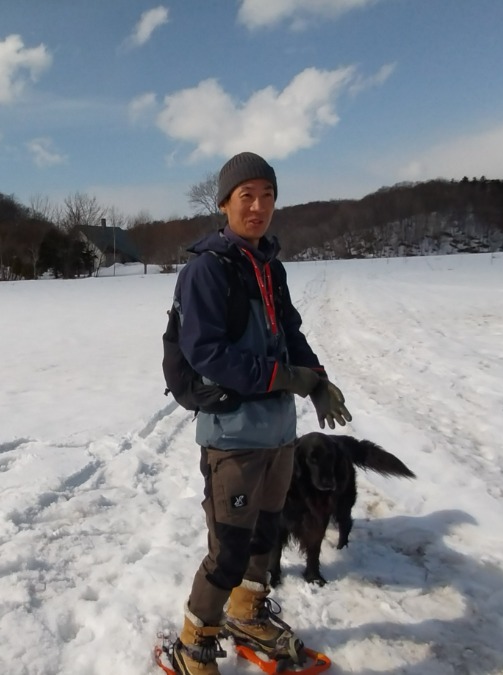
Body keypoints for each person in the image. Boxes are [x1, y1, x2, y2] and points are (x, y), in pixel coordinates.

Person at [169, 151, 353, 675]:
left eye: (267, 195)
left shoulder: (271, 267)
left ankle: (246, 613)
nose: (258, 206)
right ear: (225, 202)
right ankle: (193, 642)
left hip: (279, 435)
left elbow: (289, 333)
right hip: (233, 436)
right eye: (246, 196)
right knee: (228, 550)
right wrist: (282, 378)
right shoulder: (207, 269)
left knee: (266, 535)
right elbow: (205, 351)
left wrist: (314, 378)